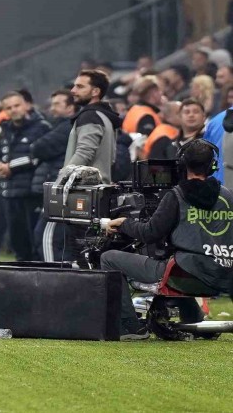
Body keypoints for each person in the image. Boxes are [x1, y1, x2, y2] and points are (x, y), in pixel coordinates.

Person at [101, 139, 233, 340]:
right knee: (185, 262)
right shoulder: (228, 196)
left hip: (185, 275)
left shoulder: (176, 196)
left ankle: (130, 327)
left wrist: (124, 223)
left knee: (109, 258)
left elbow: (149, 233)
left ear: (182, 165)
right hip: (224, 276)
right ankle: (194, 318)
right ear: (212, 166)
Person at [65, 69, 122, 263]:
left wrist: (62, 181)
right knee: (92, 253)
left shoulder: (90, 116)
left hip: (83, 194)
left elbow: (84, 153)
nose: (73, 90)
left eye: (80, 86)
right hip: (98, 193)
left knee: (77, 252)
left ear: (95, 91)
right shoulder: (104, 116)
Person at [0, 91, 50, 261]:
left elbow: (38, 155)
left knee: (34, 241)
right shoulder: (5, 129)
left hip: (31, 192)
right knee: (17, 241)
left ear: (26, 105)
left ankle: (38, 273)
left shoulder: (41, 127)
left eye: (17, 105)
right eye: (8, 107)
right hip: (9, 191)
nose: (13, 110)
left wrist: (11, 167)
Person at [32, 89, 76, 262]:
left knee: (47, 237)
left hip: (60, 189)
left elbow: (38, 147)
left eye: (57, 104)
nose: (52, 108)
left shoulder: (67, 127)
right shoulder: (59, 126)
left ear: (70, 107)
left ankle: (54, 276)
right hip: (61, 188)